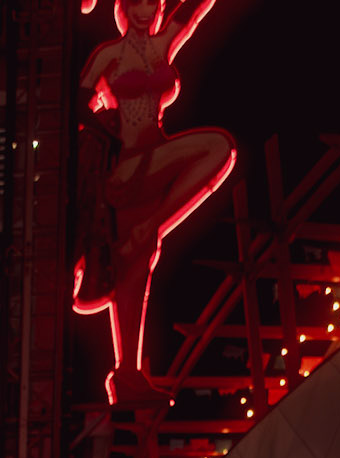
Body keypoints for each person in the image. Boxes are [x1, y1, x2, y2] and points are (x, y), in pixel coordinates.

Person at [74, 1, 235, 404]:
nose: (147, 9)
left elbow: (192, 10)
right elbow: (75, 106)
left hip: (155, 161)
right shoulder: (108, 55)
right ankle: (155, 222)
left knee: (135, 266)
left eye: (154, 1)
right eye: (138, 1)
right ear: (124, 8)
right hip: (127, 167)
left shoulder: (163, 45)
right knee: (216, 147)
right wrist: (104, 130)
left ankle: (127, 374)